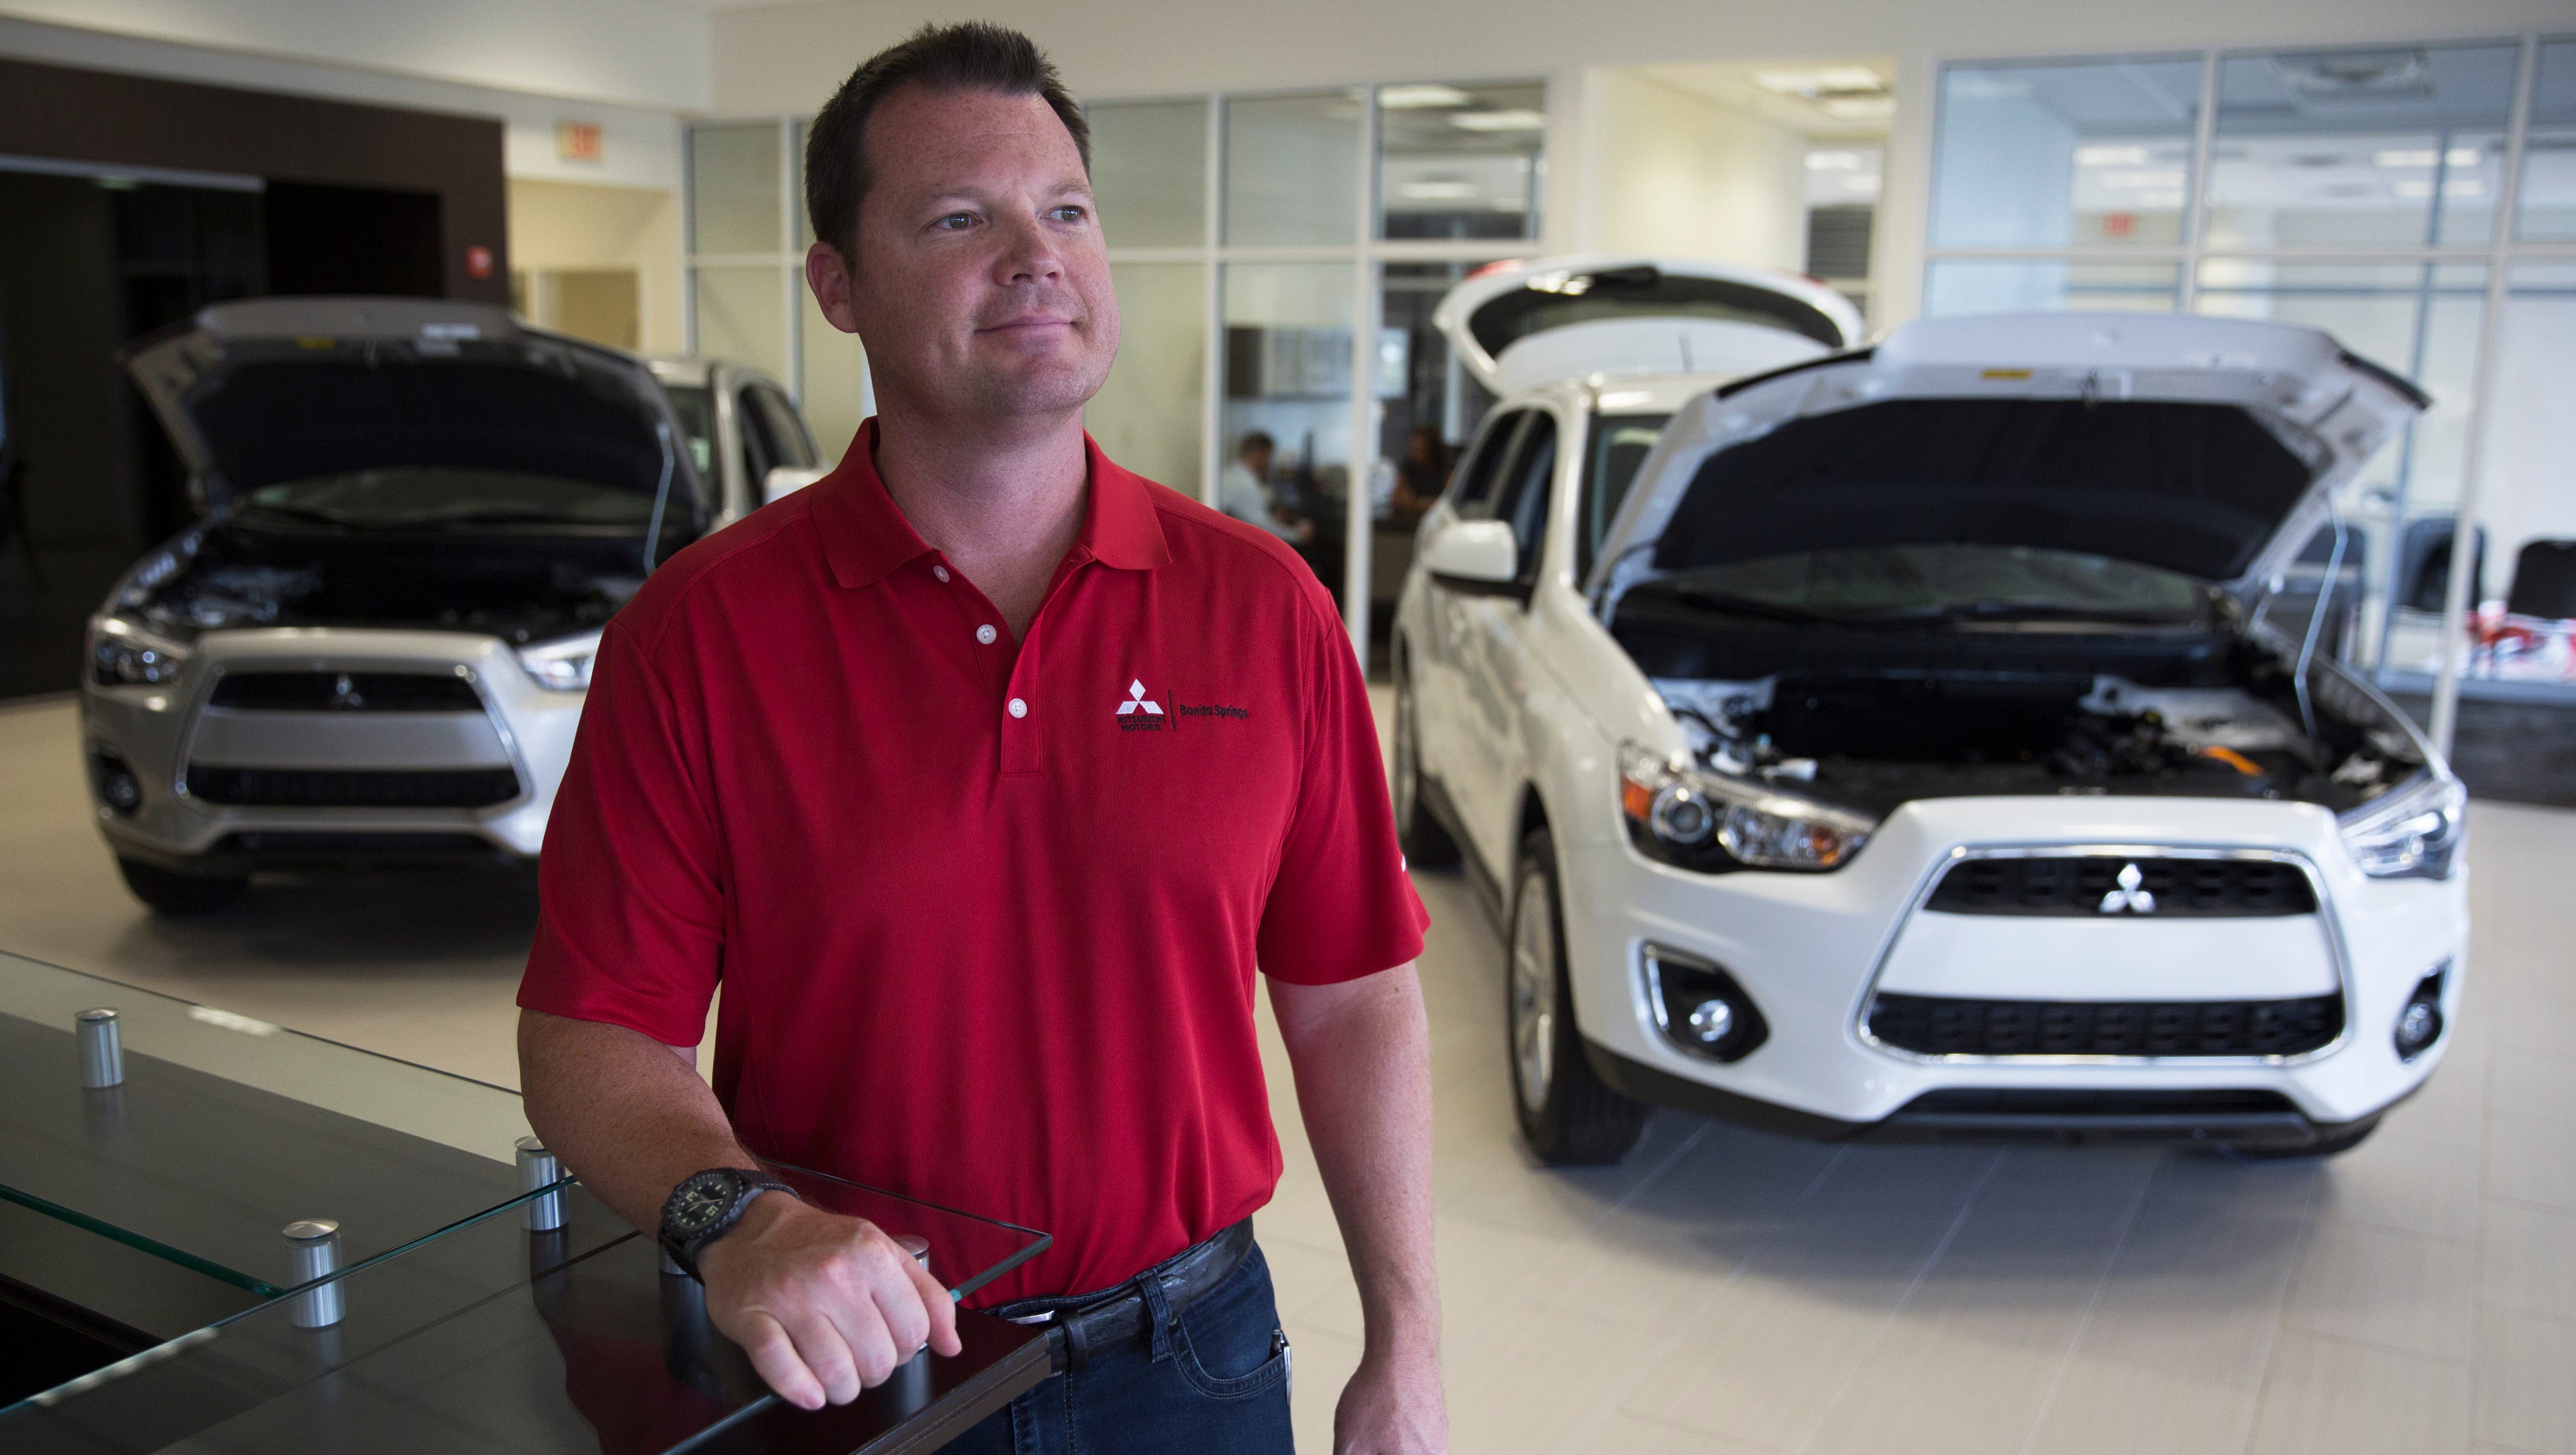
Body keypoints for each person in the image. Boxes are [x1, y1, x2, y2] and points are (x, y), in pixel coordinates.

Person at [515, 22, 1446, 1455]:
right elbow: (594, 1029)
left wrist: (1406, 1341)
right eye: (959, 217)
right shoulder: (700, 634)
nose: (1036, 252)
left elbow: (1351, 992)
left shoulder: (1263, 606)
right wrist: (737, 1218)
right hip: (854, 1373)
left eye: (1063, 208)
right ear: (838, 286)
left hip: (1194, 1358)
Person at [1219, 430, 1312, 543]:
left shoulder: (1233, 474)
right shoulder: (1244, 483)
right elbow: (1260, 527)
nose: (1270, 463)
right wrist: (1297, 534)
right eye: (1269, 456)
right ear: (1260, 453)